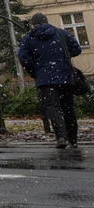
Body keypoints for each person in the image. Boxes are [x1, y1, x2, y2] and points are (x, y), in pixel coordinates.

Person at [17, 13, 82, 149]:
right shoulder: (61, 33)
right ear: (47, 21)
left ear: (33, 24)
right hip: (65, 77)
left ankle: (61, 137)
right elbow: (76, 49)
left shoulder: (28, 38)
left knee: (53, 108)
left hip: (44, 79)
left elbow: (23, 57)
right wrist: (62, 58)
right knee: (68, 107)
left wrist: (34, 69)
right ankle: (73, 139)